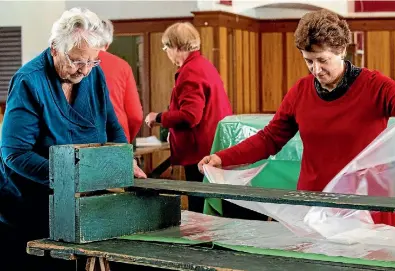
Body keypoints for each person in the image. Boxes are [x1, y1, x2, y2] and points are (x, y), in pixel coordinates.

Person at [198, 9, 395, 228]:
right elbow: (270, 138)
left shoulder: (374, 86)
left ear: (342, 50)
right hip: (313, 206)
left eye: (322, 60)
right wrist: (222, 157)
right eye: (308, 61)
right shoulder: (301, 91)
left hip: (367, 207)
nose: (316, 69)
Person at [0, 7, 146, 270]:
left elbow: (112, 127)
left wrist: (125, 160)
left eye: (92, 61)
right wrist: (70, 176)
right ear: (55, 48)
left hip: (81, 203)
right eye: (77, 60)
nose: (85, 70)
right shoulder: (28, 81)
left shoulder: (94, 75)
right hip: (30, 207)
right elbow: (14, 154)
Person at [145, 22, 232, 213]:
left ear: (176, 47)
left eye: (166, 47)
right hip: (211, 146)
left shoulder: (190, 71)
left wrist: (158, 117)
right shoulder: (203, 65)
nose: (166, 53)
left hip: (199, 152)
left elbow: (191, 116)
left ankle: (198, 243)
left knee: (199, 207)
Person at [99, 19, 144, 143]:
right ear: (107, 44)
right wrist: (127, 137)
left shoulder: (74, 64)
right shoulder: (122, 66)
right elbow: (136, 116)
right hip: (118, 138)